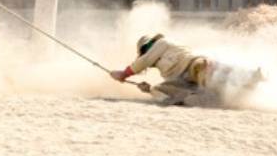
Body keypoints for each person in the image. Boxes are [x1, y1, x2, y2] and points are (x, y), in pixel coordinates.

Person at [110, 33, 263, 105]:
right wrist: (148, 89)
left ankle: (252, 78)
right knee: (160, 90)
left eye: (146, 50)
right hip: (190, 78)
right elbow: (172, 81)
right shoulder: (164, 67)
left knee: (216, 76)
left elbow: (144, 61)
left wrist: (124, 74)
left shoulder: (162, 43)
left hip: (197, 66)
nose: (147, 52)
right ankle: (248, 83)